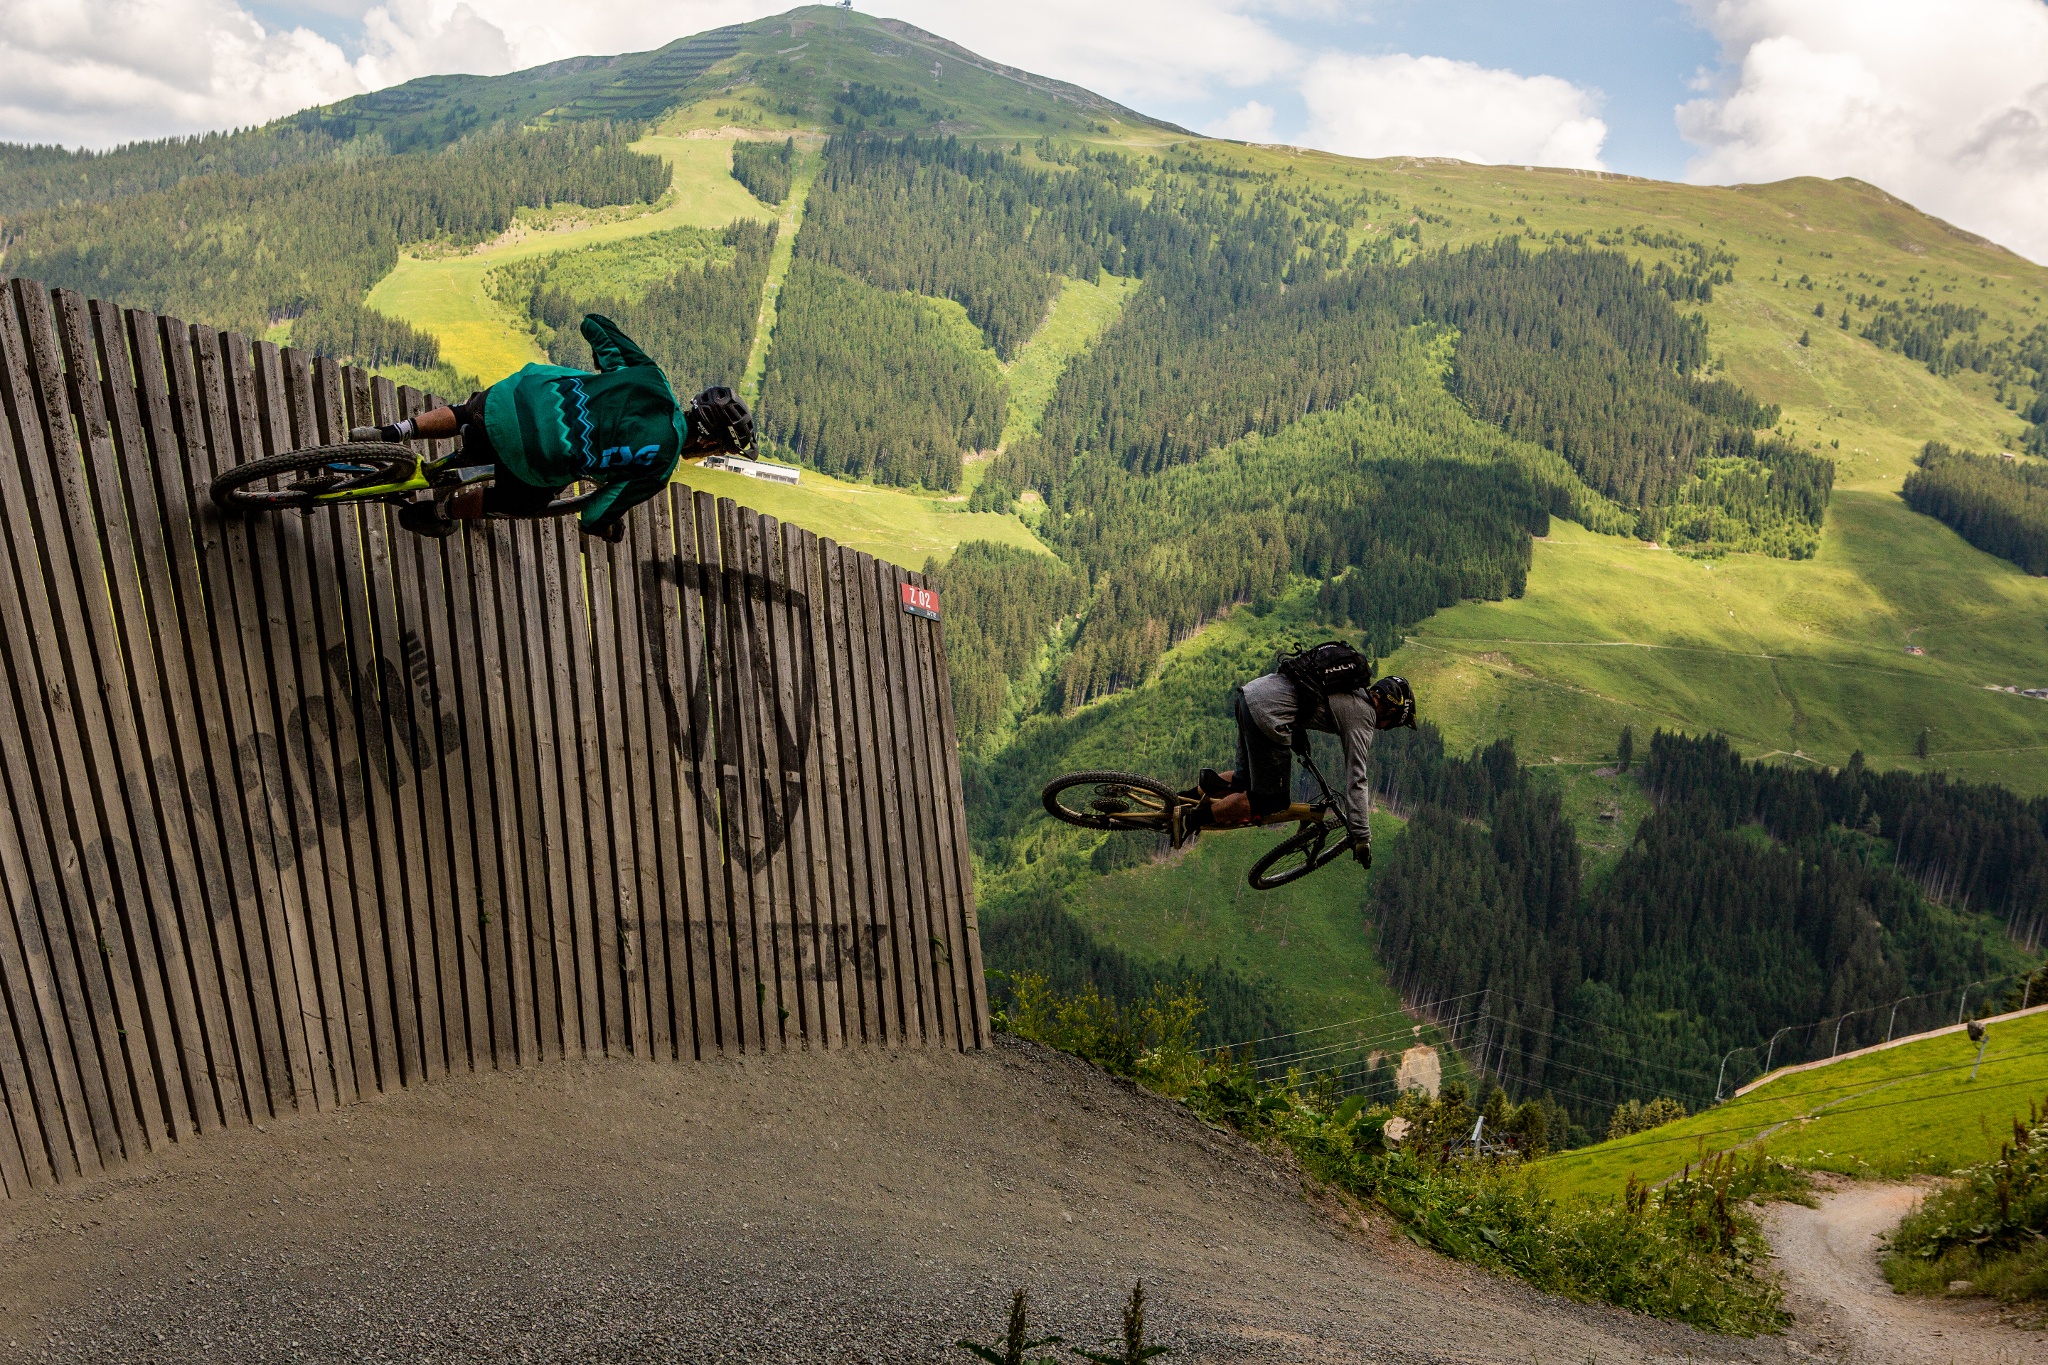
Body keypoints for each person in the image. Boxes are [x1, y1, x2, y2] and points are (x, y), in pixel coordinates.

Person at [355, 314, 755, 544]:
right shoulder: (660, 465)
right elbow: (593, 514)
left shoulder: (651, 376)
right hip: (534, 455)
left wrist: (609, 378)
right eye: (713, 450)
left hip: (518, 396)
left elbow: (594, 326)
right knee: (520, 502)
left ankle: (394, 431)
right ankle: (436, 512)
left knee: (467, 411)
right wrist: (608, 529)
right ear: (706, 441)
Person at [1182, 654, 1416, 865]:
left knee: (1245, 781)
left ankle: (1183, 798)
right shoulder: (1363, 717)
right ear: (1392, 712)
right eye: (1394, 724)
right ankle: (1190, 819)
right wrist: (1362, 837)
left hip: (1251, 695)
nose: (1386, 730)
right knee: (1270, 802)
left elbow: (1304, 699)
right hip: (1267, 714)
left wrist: (1297, 733)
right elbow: (1357, 780)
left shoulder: (1347, 687)